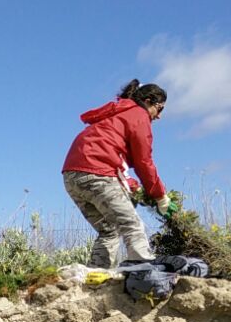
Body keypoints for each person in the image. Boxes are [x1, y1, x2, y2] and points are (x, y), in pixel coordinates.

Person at [62, 79, 176, 269]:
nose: (159, 116)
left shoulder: (118, 115)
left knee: (109, 230)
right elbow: (144, 162)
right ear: (148, 101)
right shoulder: (139, 115)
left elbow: (115, 160)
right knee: (132, 224)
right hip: (97, 173)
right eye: (160, 108)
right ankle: (144, 272)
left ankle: (96, 276)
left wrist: (133, 186)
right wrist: (160, 196)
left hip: (73, 176)